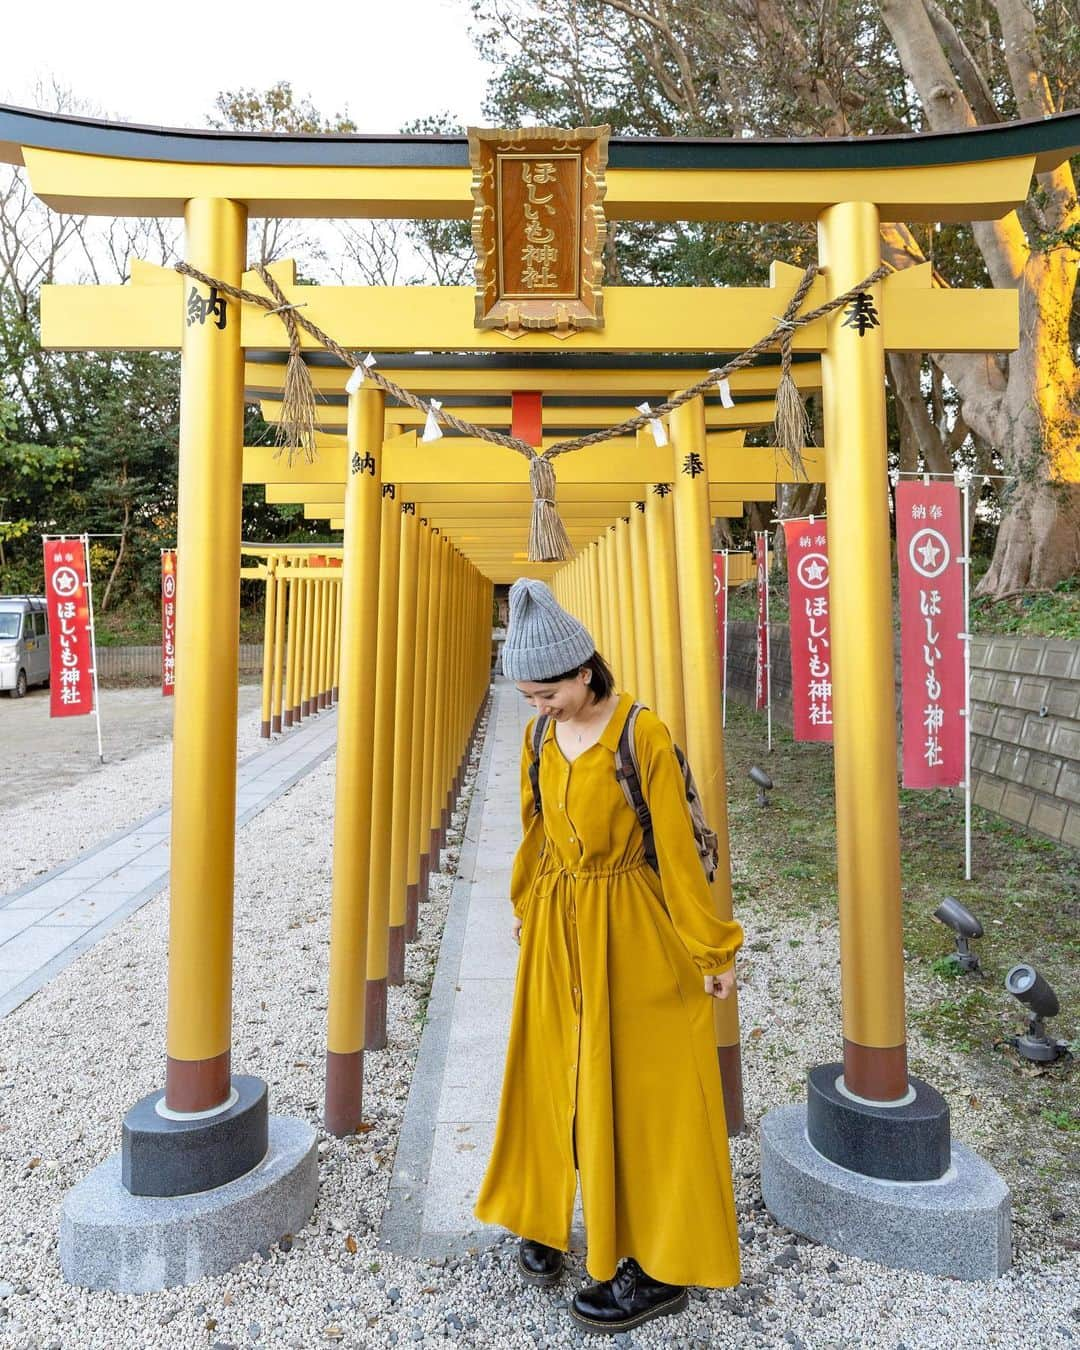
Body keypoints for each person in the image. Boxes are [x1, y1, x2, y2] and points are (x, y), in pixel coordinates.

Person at [475, 578, 743, 1336]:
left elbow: (683, 857)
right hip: (558, 926)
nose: (538, 707)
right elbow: (533, 830)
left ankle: (658, 1265)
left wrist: (711, 947)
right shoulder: (537, 737)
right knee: (548, 1070)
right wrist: (527, 911)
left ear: (584, 669)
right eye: (528, 695)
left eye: (547, 691)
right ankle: (544, 1210)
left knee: (648, 1091)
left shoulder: (640, 734)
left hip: (630, 924)